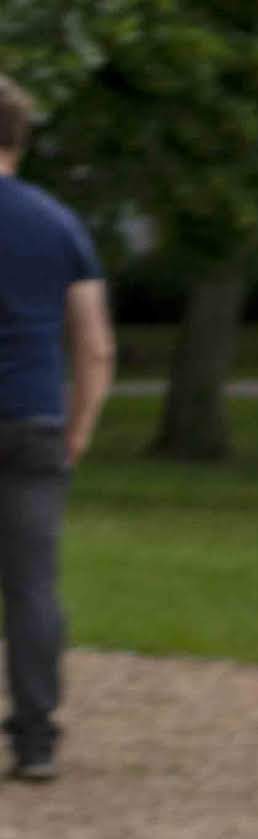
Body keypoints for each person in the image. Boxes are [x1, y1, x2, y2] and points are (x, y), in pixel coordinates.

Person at [0, 71, 110, 785]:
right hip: (35, 420)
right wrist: (80, 426)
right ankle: (35, 738)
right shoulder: (59, 223)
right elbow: (93, 343)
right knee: (32, 587)